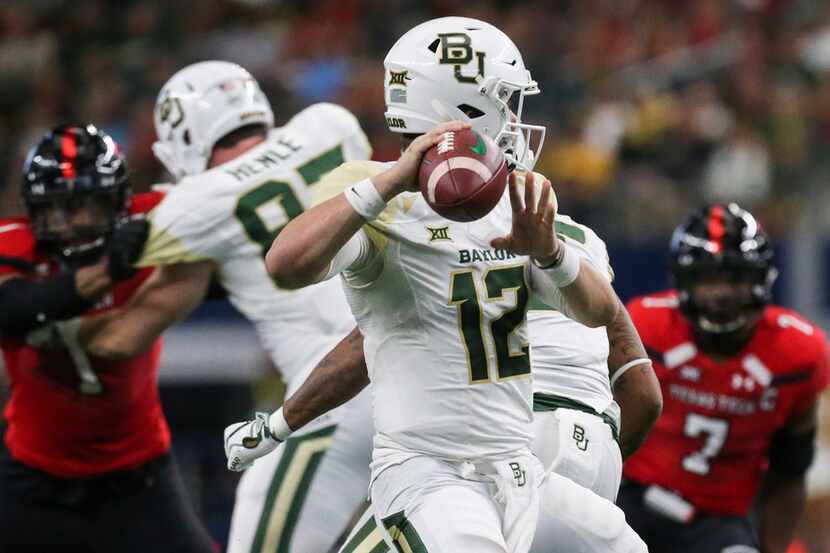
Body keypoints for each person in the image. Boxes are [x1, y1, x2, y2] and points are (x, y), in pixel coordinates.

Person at [226, 17, 645, 553]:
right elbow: (286, 265)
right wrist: (394, 179)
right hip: (431, 474)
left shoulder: (512, 198)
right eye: (504, 100)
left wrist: (551, 251)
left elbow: (597, 311)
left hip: (518, 470)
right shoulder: (381, 203)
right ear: (463, 107)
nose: (514, 118)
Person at [71, 61, 374, 553]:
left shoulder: (190, 205)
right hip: (414, 369)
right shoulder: (330, 123)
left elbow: (121, 327)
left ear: (182, 139)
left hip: (330, 398)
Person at [0, 124, 215, 553]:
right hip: (32, 475)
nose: (76, 224)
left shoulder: (155, 219)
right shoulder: (15, 244)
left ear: (118, 202)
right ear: (33, 210)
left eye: (90, 205)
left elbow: (228, 206)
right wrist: (107, 270)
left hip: (138, 476)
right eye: (59, 209)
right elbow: (13, 310)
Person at [618, 203, 829, 553]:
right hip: (629, 500)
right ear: (683, 281)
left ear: (761, 279)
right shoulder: (646, 326)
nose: (720, 294)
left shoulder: (798, 355)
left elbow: (790, 470)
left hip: (718, 524)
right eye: (707, 279)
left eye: (734, 278)